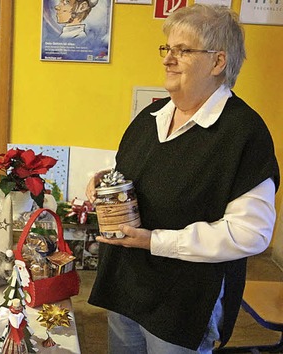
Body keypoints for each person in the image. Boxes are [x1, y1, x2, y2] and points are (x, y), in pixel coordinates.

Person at [85, 5, 279, 353]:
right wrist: (103, 185)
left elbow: (252, 234)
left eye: (183, 50)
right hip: (126, 286)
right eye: (168, 49)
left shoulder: (243, 133)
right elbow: (132, 176)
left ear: (218, 63)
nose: (167, 60)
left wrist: (155, 241)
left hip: (182, 303)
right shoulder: (151, 117)